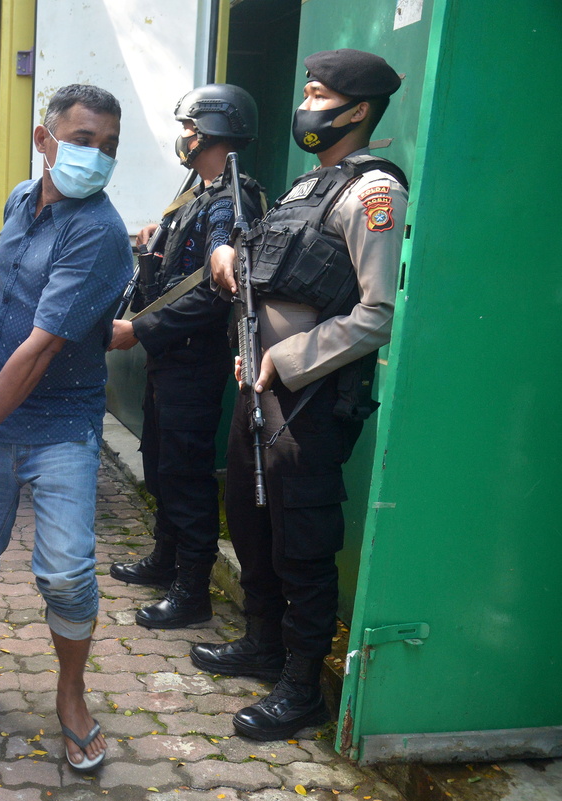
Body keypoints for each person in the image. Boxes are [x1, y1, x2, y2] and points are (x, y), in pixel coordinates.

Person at [195, 49, 407, 741]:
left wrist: (285, 359)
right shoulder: (305, 189)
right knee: (249, 518)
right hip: (259, 385)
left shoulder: (373, 193)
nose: (306, 104)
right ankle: (262, 642)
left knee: (302, 541)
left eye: (318, 93)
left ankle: (302, 686)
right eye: (308, 90)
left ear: (358, 109)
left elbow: (377, 313)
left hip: (309, 399)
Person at [0, 84, 133, 772]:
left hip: (61, 426)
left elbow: (42, 346)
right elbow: (14, 281)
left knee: (66, 572)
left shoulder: (99, 232)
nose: (95, 156)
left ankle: (71, 692)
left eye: (108, 146)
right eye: (82, 140)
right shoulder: (20, 199)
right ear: (45, 141)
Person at [108, 84, 264, 630]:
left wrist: (140, 329)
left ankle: (192, 591)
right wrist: (161, 235)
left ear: (215, 130)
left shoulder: (231, 200)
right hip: (170, 358)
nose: (184, 138)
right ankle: (165, 560)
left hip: (193, 360)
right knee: (160, 463)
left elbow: (216, 291)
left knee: (186, 476)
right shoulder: (199, 192)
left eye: (189, 129)